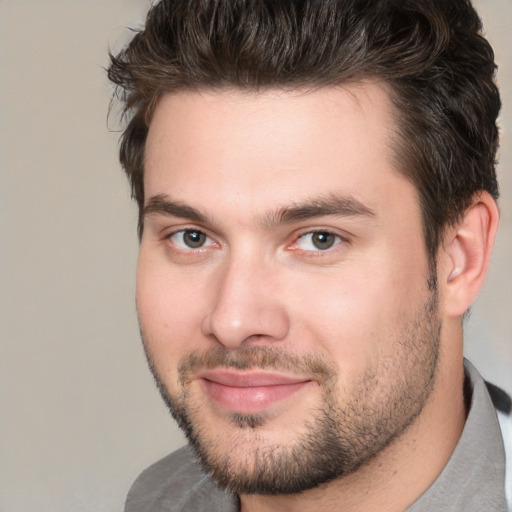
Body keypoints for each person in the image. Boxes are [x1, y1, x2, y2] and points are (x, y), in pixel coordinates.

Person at [108, 0, 511, 510]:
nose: (233, 320)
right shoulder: (156, 500)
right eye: (192, 237)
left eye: (319, 239)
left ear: (459, 257)